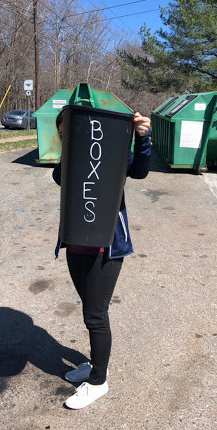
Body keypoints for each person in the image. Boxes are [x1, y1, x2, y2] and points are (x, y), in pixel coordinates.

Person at [52, 110, 151, 409]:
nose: (67, 137)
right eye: (64, 133)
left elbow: (140, 169)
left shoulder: (112, 156)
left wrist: (142, 138)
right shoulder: (69, 162)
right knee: (89, 308)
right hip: (75, 247)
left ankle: (98, 382)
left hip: (106, 250)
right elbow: (59, 177)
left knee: (95, 314)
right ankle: (97, 364)